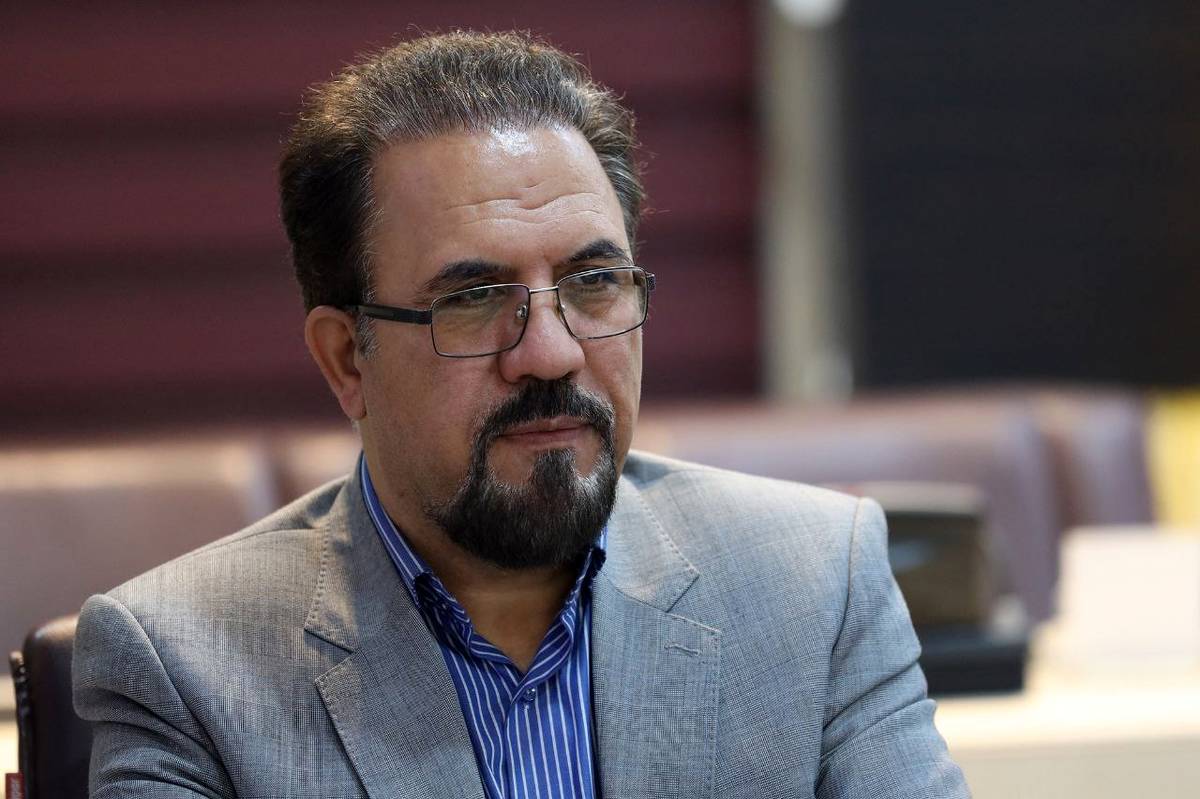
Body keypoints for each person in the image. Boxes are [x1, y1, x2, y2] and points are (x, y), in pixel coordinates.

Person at [73, 30, 969, 798]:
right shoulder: (186, 666)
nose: (550, 351)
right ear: (348, 359)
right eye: (472, 299)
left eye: (594, 281)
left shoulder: (814, 583)